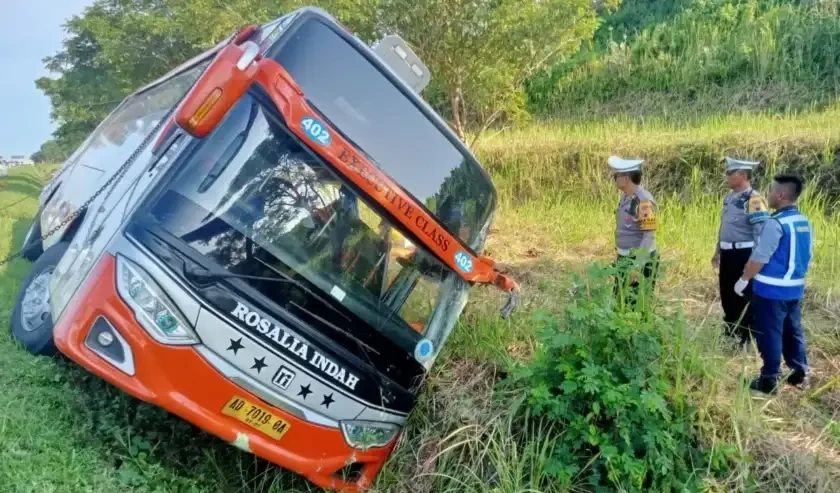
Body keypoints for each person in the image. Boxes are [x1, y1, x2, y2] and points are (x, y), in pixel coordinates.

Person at [734, 173, 813, 395]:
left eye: (771, 191)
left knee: (769, 333)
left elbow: (759, 258)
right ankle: (799, 373)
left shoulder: (775, 223)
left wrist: (743, 280)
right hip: (795, 289)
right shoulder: (803, 222)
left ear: (780, 195)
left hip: (770, 291)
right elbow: (807, 256)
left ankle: (769, 379)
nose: (768, 195)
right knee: (793, 330)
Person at [712, 157, 770, 346]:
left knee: (743, 294)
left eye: (730, 173)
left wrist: (754, 259)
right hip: (728, 253)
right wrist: (717, 250)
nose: (726, 176)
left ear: (743, 175)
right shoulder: (729, 198)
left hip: (744, 254)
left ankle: (746, 336)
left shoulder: (754, 199)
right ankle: (731, 331)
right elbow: (724, 227)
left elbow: (760, 232)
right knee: (727, 292)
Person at [609, 156, 659, 309]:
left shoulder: (643, 201)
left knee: (636, 305)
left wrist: (637, 265)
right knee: (620, 301)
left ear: (626, 178)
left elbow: (649, 234)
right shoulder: (626, 197)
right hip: (625, 257)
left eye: (616, 176)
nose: (614, 179)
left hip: (638, 260)